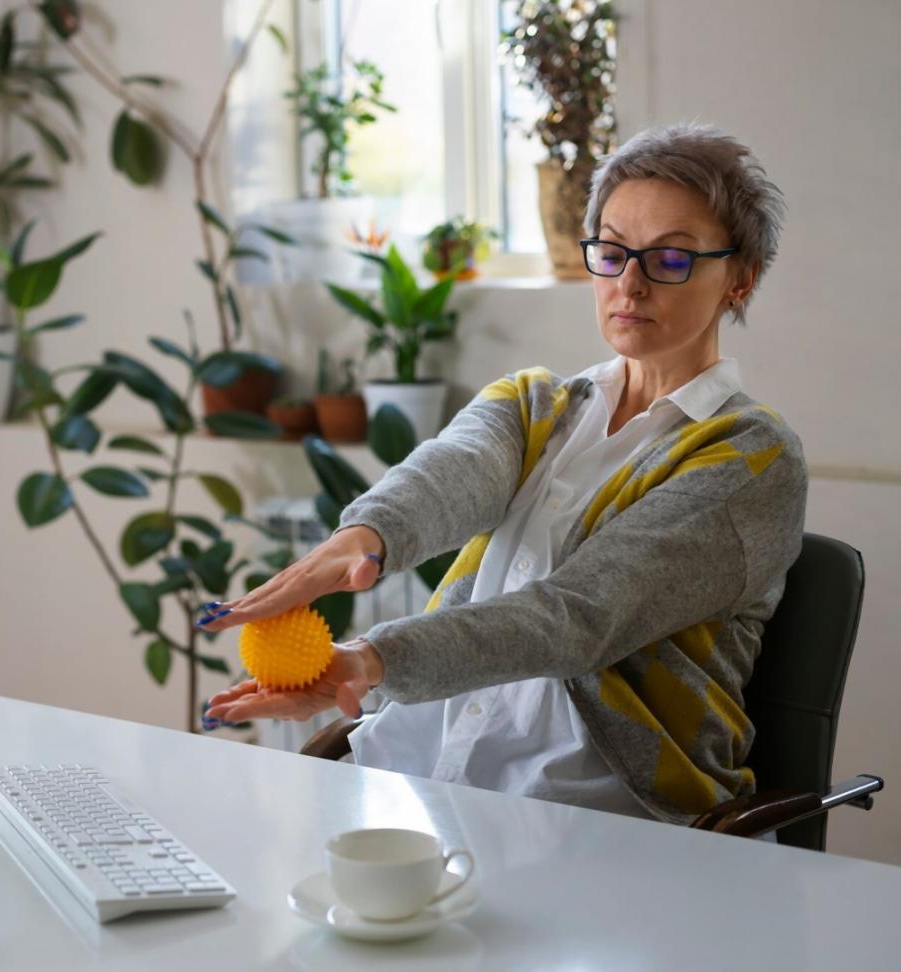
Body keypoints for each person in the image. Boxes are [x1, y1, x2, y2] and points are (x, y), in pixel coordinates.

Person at [200, 123, 804, 825]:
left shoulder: (752, 459)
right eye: (610, 252)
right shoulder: (534, 404)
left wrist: (369, 659)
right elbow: (449, 475)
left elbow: (578, 618)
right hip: (418, 775)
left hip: (596, 810)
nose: (628, 283)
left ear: (739, 278)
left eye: (670, 257)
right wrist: (357, 542)